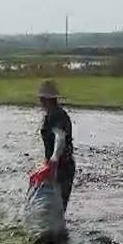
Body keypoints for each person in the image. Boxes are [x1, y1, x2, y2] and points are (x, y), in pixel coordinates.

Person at [38, 79, 75, 213]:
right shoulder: (53, 115)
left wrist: (54, 158)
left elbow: (60, 137)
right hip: (59, 165)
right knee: (54, 204)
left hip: (61, 166)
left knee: (55, 204)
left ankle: (55, 231)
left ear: (45, 99)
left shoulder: (56, 116)